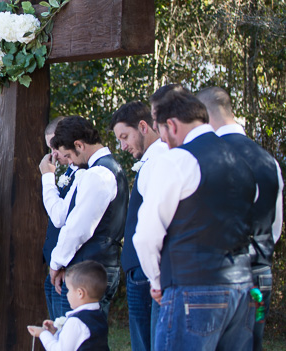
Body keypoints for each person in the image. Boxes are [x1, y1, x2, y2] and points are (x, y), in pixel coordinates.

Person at [133, 85, 255, 350]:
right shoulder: (242, 159)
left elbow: (146, 234)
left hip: (192, 289)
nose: (163, 140)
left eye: (161, 131)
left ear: (172, 125)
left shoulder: (177, 160)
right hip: (242, 290)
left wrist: (157, 282)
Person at [198, 86, 283, 351]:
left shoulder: (208, 157)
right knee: (253, 342)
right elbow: (275, 224)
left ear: (205, 117)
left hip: (219, 276)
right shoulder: (270, 161)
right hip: (259, 276)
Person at [47, 116, 128, 317]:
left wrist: (56, 262)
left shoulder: (98, 173)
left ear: (79, 145)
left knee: (78, 341)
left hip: (90, 269)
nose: (71, 162)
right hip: (98, 264)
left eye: (68, 155)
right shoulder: (108, 168)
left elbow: (79, 227)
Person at [109, 101, 167, 351]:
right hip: (140, 271)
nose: (122, 146)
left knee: (148, 343)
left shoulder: (161, 160)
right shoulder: (151, 160)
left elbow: (157, 221)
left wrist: (153, 274)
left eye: (125, 136)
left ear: (143, 126)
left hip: (147, 272)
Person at [38, 116, 80, 320]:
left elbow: (63, 219)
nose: (53, 154)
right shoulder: (69, 171)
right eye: (50, 148)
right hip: (55, 264)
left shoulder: (86, 172)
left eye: (55, 146)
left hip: (69, 268)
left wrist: (48, 178)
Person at [27, 260, 110, 351]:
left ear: (80, 293)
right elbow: (78, 341)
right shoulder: (99, 316)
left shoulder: (76, 321)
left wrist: (43, 334)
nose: (67, 294)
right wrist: (56, 333)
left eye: (69, 290)